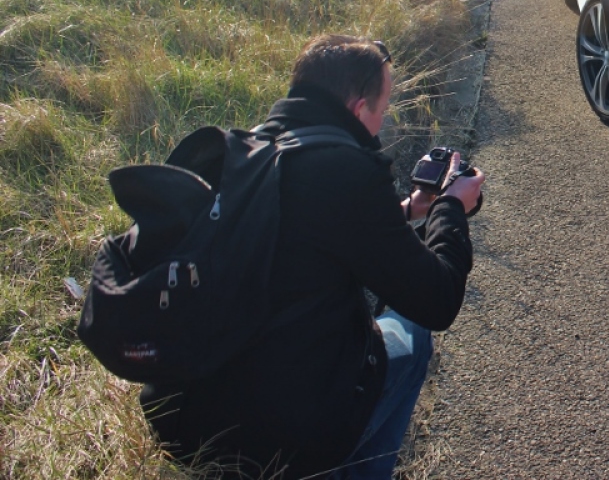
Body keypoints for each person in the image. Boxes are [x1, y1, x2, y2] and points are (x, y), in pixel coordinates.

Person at [141, 34, 483, 478]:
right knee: (412, 331)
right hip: (277, 442)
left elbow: (308, 234)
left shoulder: (246, 153)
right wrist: (451, 208)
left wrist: (410, 210)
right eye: (383, 108)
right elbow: (437, 300)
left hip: (181, 422)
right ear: (360, 110)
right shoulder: (348, 171)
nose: (381, 121)